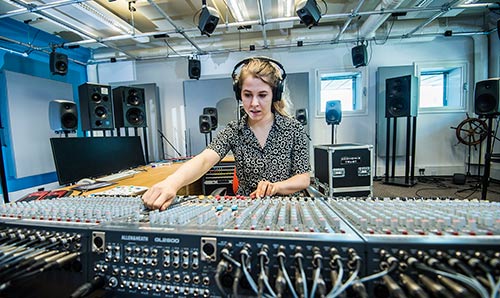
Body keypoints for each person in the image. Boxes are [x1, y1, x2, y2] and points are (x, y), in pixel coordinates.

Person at [143, 57, 311, 210]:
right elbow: (204, 160)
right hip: (248, 210)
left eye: (262, 95)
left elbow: (303, 178)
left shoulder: (293, 129)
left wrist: (276, 187)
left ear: (275, 94)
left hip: (287, 208)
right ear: (239, 94)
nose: (254, 103)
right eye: (247, 95)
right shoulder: (234, 130)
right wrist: (172, 183)